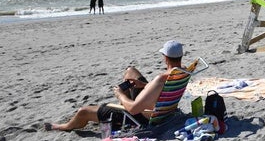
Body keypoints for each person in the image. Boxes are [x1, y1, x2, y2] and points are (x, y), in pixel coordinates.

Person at [44, 40, 185, 132]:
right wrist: (144, 85)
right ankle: (117, 111)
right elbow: (164, 90)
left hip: (143, 116)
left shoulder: (161, 78)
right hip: (163, 107)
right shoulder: (182, 71)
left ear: (165, 57)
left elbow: (134, 109)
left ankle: (65, 126)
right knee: (131, 71)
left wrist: (121, 95)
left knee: (84, 111)